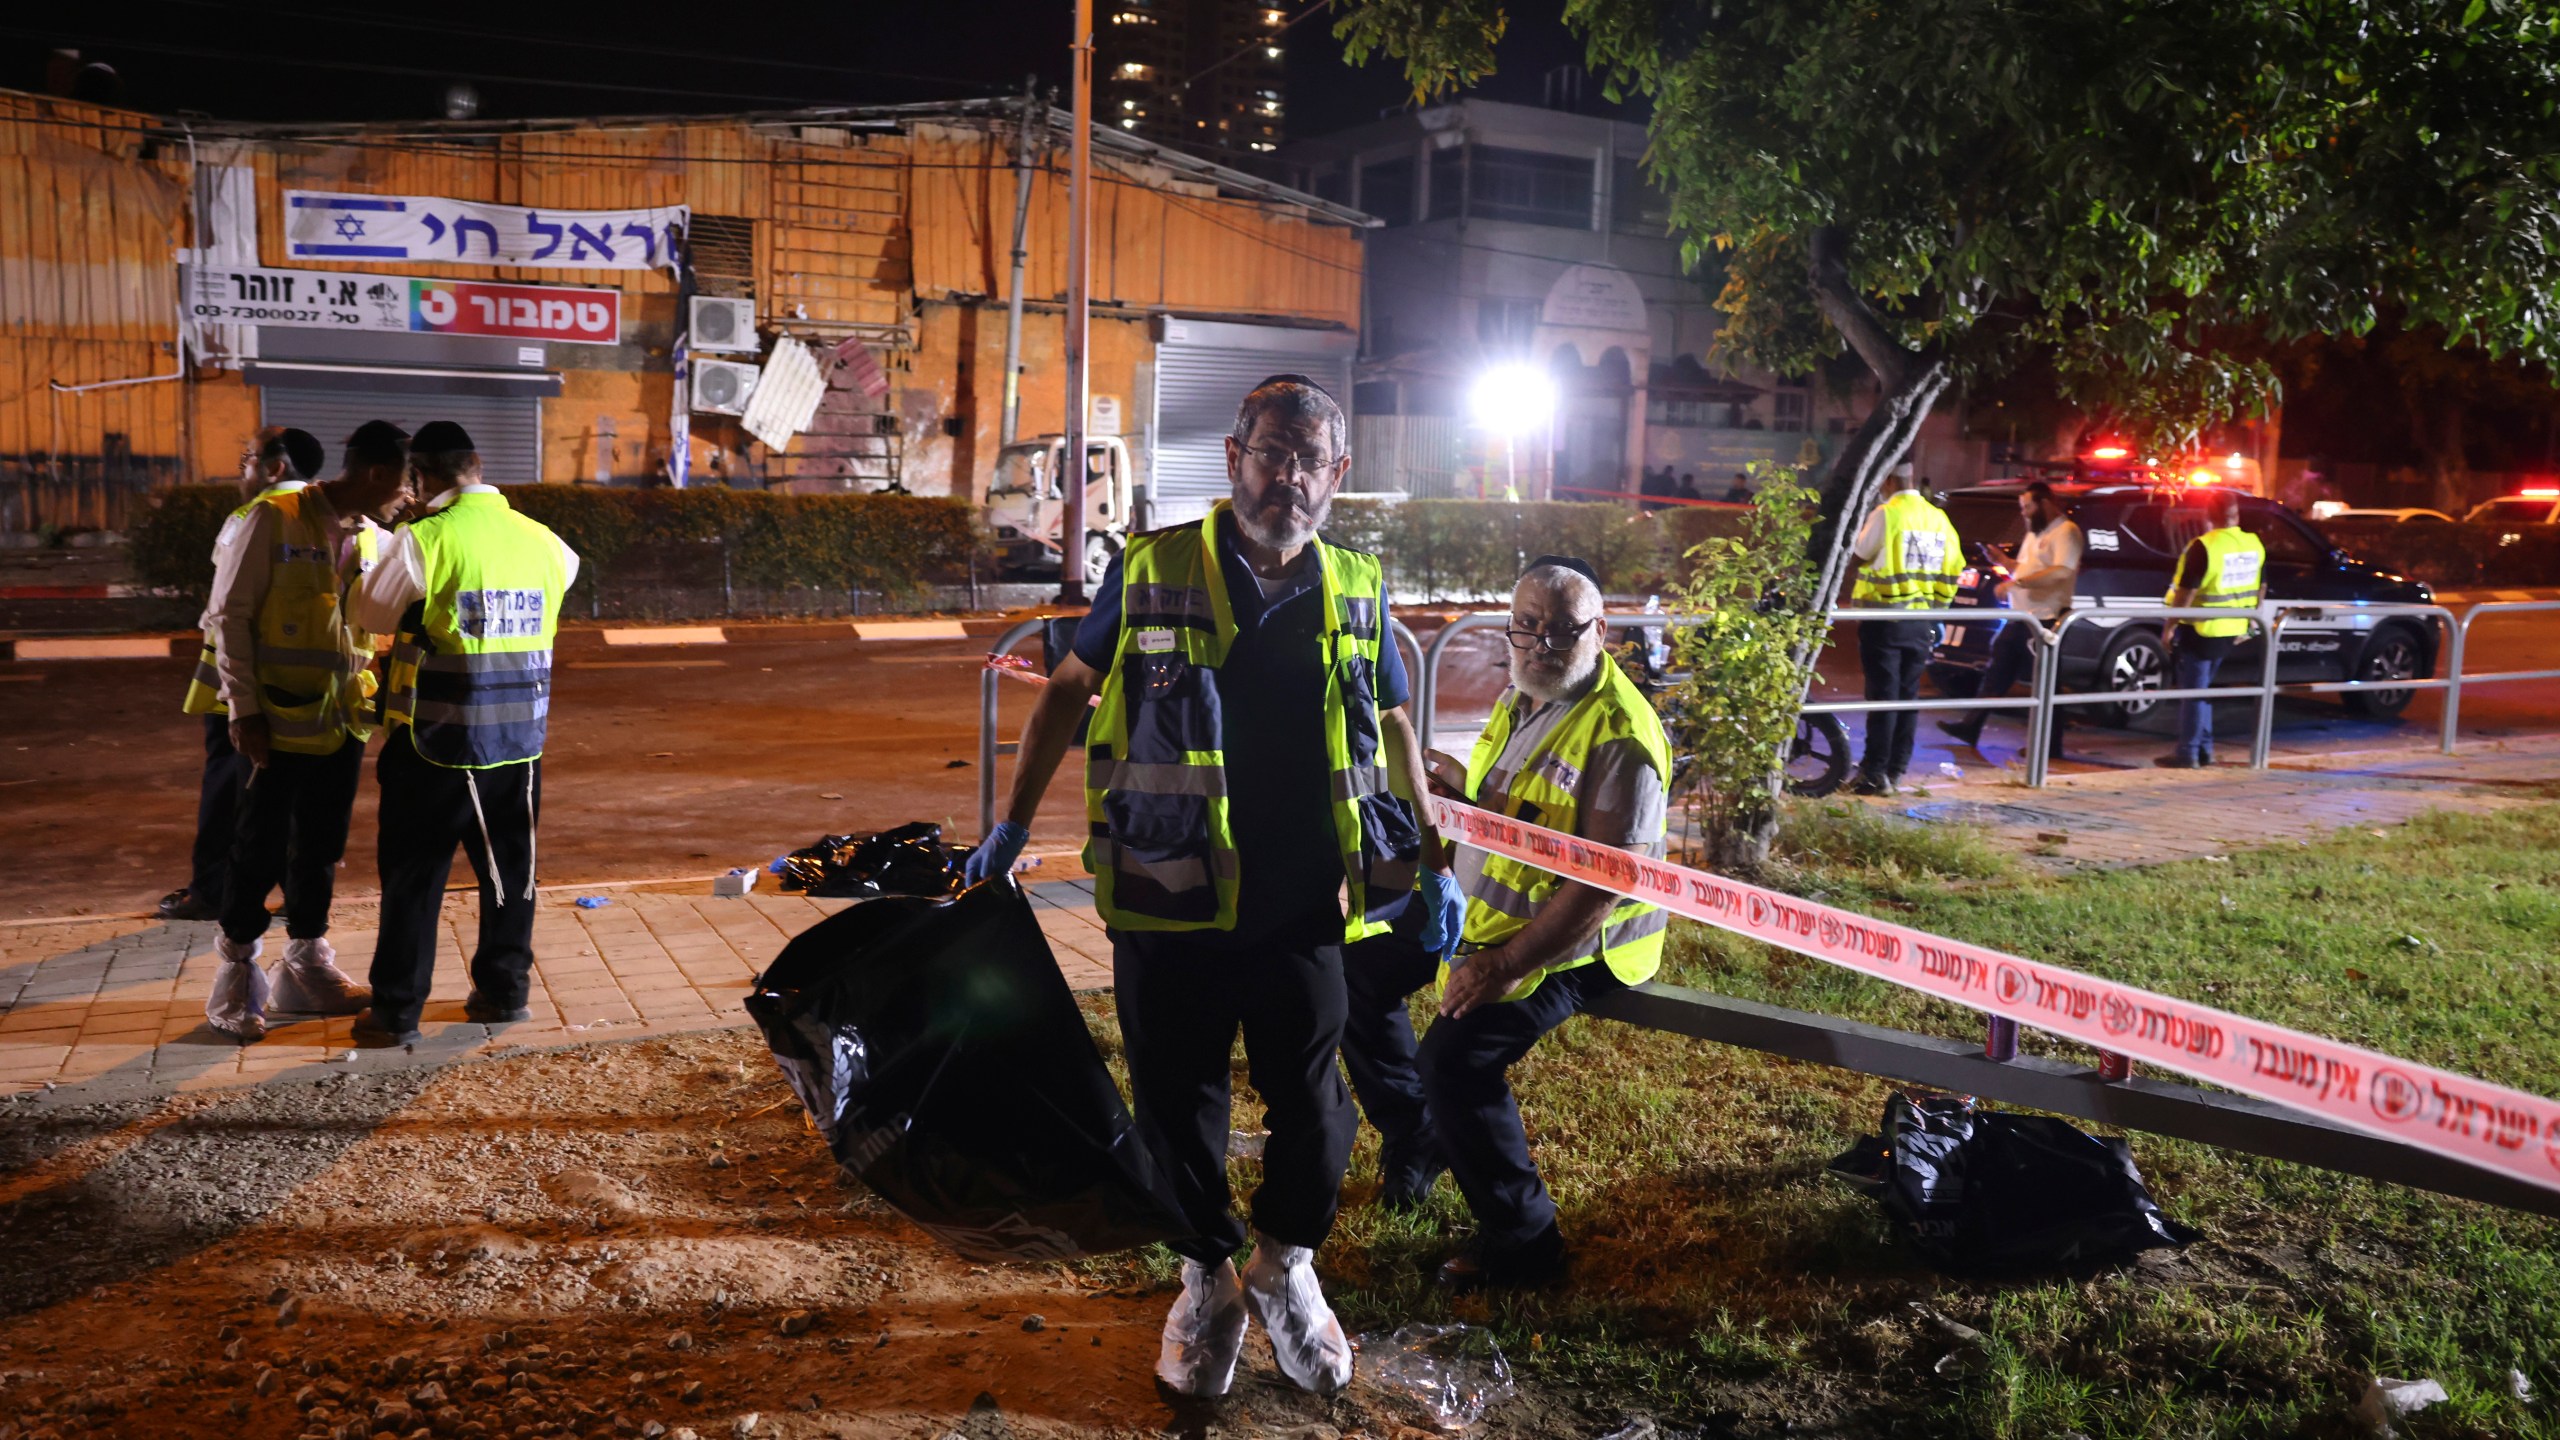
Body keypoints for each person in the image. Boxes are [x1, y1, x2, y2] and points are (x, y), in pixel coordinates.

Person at [961, 374, 1457, 1400]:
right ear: (1234, 456)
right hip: (1166, 893)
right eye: (1271, 452)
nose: (1289, 476)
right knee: (1176, 1105)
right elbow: (1065, 689)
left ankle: (1285, 1265)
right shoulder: (1153, 568)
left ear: (1339, 475)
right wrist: (1010, 823)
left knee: (1317, 1107)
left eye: (1309, 459)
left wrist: (1432, 847)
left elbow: (1398, 723)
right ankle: (1205, 1278)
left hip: (1305, 901)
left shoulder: (1358, 584)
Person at [1405, 557, 1672, 1289]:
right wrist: (1457, 793)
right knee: (1354, 969)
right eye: (1526, 627)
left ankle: (1527, 1245)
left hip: (1580, 948)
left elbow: (1603, 888)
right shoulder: (1525, 694)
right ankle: (1421, 1144)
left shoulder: (1620, 735)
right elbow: (1518, 815)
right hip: (1490, 921)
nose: (1540, 644)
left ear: (1601, 632)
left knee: (1455, 1063)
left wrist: (1508, 964)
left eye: (1562, 631)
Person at [349, 421, 580, 1047]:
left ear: (419, 478)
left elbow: (366, 614)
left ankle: (397, 1011)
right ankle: (504, 993)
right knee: (510, 874)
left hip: (437, 747)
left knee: (414, 880)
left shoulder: (424, 540)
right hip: (518, 745)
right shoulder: (546, 542)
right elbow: (564, 583)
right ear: (477, 464)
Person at [201, 421, 409, 1041]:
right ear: (376, 473)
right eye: (405, 478)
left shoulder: (376, 537)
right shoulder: (275, 517)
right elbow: (229, 616)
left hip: (342, 722)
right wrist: (244, 711)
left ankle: (306, 966)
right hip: (276, 720)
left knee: (321, 846)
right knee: (257, 847)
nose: (409, 492)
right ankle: (238, 976)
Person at [162, 426, 325, 923]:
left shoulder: (251, 518)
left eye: (247, 459)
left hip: (238, 685)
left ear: (274, 468)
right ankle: (297, 895)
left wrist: (238, 699)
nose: (242, 469)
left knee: (228, 791)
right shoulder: (334, 518)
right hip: (312, 688)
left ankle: (213, 889)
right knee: (298, 800)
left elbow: (223, 611)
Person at [1938, 481, 2083, 759]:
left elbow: (2061, 572)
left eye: (2028, 507)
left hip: (2045, 619)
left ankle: (2050, 746)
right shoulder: (2036, 533)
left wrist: (2018, 584)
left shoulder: (2066, 532)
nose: (2025, 513)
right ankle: (1971, 726)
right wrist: (2004, 561)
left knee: (2046, 683)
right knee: (1995, 676)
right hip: (2021, 618)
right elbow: (2027, 568)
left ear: (2045, 502)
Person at [1847, 465, 1960, 795]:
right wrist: (1937, 613)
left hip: (1884, 621)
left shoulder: (1887, 513)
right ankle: (1896, 770)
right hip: (1921, 622)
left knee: (1883, 698)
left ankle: (1873, 773)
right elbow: (1954, 568)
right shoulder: (1938, 518)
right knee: (1908, 697)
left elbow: (1860, 553)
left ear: (1887, 480)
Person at [2156, 488, 2265, 769]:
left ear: (2208, 514)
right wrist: (2251, 620)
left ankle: (2188, 753)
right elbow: (2261, 587)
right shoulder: (2253, 543)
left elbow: (2185, 593)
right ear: (2236, 514)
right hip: (2232, 628)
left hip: (2201, 630)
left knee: (2193, 693)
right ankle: (2204, 750)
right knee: (2200, 690)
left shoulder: (2204, 546)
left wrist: (2169, 626)